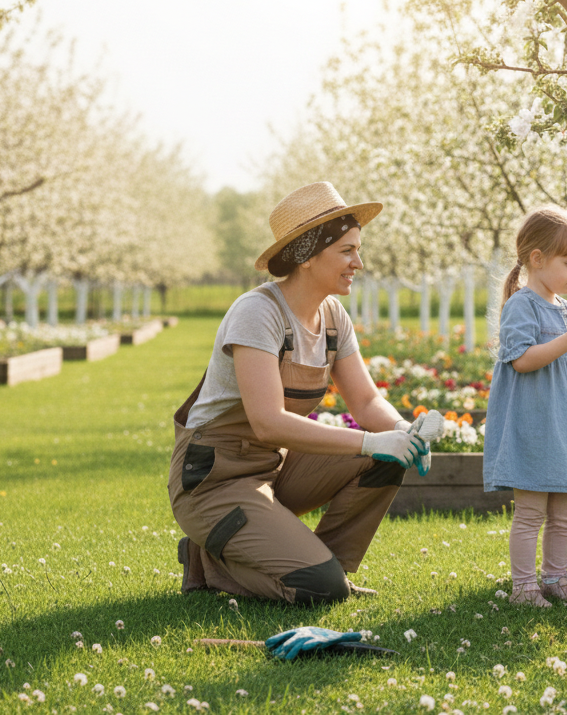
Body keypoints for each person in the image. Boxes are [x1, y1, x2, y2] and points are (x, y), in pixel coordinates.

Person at [169, 182, 441, 604]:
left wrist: (405, 432)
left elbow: (366, 402)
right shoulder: (257, 312)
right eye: (347, 251)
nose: (359, 262)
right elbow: (268, 421)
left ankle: (329, 570)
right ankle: (212, 560)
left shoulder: (333, 316)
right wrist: (372, 439)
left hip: (274, 471)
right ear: (309, 255)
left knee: (385, 457)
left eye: (358, 249)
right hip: (214, 479)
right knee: (317, 587)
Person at [483, 206, 567, 607]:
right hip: (533, 427)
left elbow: (561, 363)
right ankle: (523, 588)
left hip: (563, 427)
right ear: (537, 258)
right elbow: (522, 359)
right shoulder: (523, 305)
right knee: (531, 511)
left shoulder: (565, 309)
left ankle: (555, 579)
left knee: (565, 509)